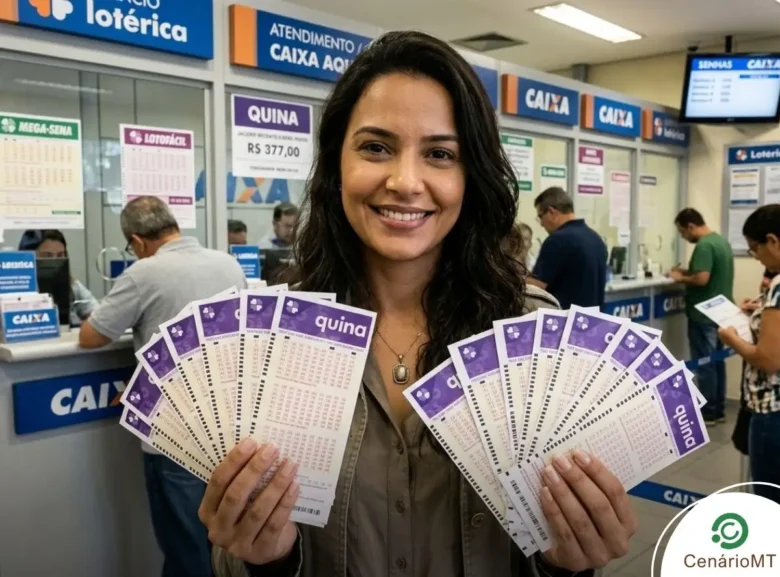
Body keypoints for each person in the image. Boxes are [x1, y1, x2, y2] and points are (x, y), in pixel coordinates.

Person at [201, 31, 636, 577]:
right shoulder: (273, 346)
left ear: (470, 175)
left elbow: (550, 547)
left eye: (439, 153)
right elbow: (231, 558)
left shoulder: (532, 334)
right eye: (376, 147)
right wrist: (264, 560)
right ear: (336, 166)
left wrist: (566, 566)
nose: (405, 182)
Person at [79, 196, 246, 577]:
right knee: (224, 545)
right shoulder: (227, 264)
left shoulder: (144, 273)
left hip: (172, 432)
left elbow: (92, 337)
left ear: (137, 242)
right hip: (228, 428)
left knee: (186, 548)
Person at [718, 204, 780, 504]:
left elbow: (769, 360)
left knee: (770, 498)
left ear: (773, 241)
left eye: (755, 250)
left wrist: (732, 338)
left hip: (772, 410)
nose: (756, 258)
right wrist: (762, 314)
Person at [669, 208, 734, 426]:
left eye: (682, 232)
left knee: (705, 363)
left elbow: (702, 279)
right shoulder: (720, 242)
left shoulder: (704, 245)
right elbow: (707, 274)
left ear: (690, 226)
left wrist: (679, 278)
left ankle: (708, 413)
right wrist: (688, 273)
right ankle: (718, 409)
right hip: (721, 312)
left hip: (704, 314)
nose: (683, 237)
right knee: (717, 362)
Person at [526, 187, 608, 309]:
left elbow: (535, 288)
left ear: (552, 212)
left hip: (565, 322)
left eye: (540, 217)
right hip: (593, 323)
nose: (542, 224)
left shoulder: (557, 240)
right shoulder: (596, 238)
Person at [18, 229, 98, 326]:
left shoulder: (72, 285)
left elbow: (99, 316)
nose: (55, 261)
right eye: (47, 256)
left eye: (60, 255)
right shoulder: (16, 285)